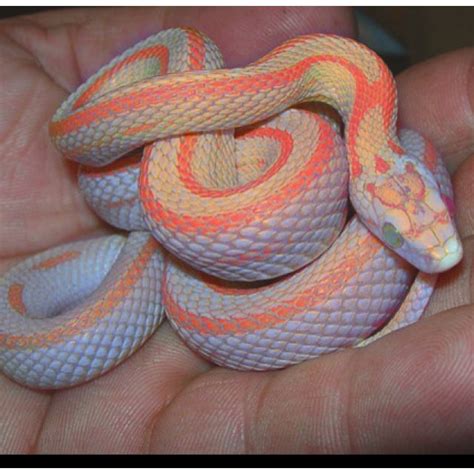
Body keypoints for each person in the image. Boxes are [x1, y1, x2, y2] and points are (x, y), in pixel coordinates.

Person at [0, 7, 472, 453]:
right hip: (177, 205)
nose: (437, 252)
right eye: (396, 236)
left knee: (189, 59)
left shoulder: (352, 104)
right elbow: (73, 135)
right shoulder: (341, 111)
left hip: (187, 210)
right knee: (184, 56)